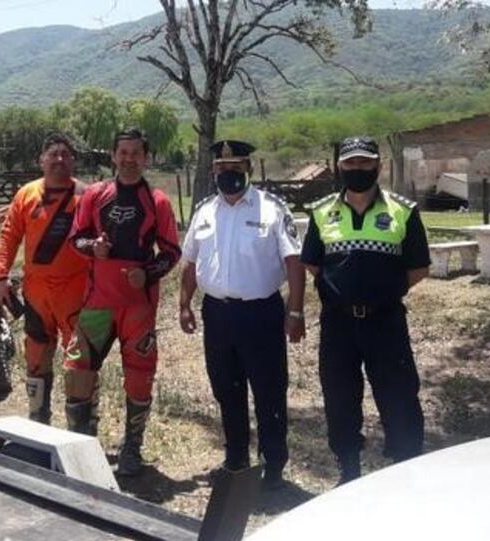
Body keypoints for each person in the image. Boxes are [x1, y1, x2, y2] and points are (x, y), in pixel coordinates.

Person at [300, 135, 430, 485]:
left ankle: (405, 469)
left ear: (378, 165)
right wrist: (342, 289)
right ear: (340, 166)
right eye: (350, 163)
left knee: (399, 394)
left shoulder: (403, 210)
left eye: (364, 162)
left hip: (385, 322)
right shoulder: (323, 211)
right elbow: (312, 262)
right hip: (338, 324)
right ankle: (349, 469)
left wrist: (381, 291)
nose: (357, 168)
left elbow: (418, 268)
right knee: (340, 395)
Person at [178, 140, 306, 490]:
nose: (227, 174)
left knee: (268, 390)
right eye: (221, 168)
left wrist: (295, 311)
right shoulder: (204, 210)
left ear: (248, 168)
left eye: (235, 167)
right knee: (226, 389)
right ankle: (236, 460)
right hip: (217, 314)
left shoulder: (272, 208)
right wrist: (184, 303)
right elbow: (190, 261)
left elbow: (294, 262)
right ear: (213, 171)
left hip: (261, 314)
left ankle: (273, 466)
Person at [64, 128, 181, 476]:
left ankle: (132, 449)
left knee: (139, 379)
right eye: (123, 152)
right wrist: (92, 248)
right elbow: (76, 238)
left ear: (146, 158)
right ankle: (82, 444)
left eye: (136, 153)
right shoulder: (95, 195)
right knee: (76, 373)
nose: (129, 159)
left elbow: (172, 251)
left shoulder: (157, 200)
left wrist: (148, 273)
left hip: (138, 306)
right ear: (114, 156)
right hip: (98, 301)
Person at [0, 133, 88, 424]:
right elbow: (9, 236)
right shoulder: (26, 194)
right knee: (35, 357)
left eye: (65, 154)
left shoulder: (88, 196)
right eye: (53, 154)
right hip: (37, 293)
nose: (59, 159)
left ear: (73, 160)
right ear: (42, 160)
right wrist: (0, 276)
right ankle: (38, 421)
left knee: (80, 363)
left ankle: (81, 428)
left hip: (77, 291)